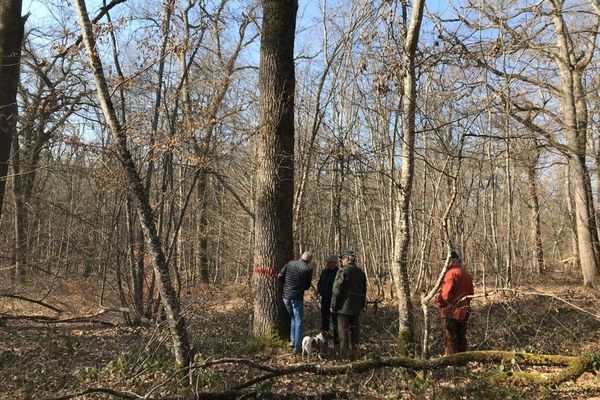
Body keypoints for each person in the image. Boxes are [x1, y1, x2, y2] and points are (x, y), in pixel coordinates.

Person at [436, 250, 474, 355]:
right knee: (462, 337)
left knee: (450, 341)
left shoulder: (450, 274)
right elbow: (471, 294)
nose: (445, 263)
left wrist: (440, 304)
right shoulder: (466, 274)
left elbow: (445, 295)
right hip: (465, 311)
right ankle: (462, 362)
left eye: (447, 261)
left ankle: (450, 364)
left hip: (450, 313)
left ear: (453, 260)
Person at [330, 250, 367, 359]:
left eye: (342, 260)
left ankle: (344, 357)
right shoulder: (361, 272)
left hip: (343, 308)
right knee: (355, 333)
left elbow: (336, 290)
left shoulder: (342, 272)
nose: (341, 262)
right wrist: (361, 304)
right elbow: (363, 290)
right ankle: (355, 354)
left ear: (347, 260)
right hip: (356, 308)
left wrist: (333, 305)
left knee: (344, 334)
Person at [278, 251, 313, 354]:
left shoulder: (290, 263)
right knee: (298, 320)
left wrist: (286, 286)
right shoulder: (307, 269)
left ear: (301, 256)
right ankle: (297, 347)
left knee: (293, 317)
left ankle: (293, 341)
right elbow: (307, 286)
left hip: (285, 295)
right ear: (309, 260)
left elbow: (280, 276)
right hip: (297, 296)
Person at [317, 253, 340, 347]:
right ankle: (323, 343)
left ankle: (337, 343)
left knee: (336, 323)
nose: (327, 263)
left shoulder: (339, 272)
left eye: (329, 262)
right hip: (325, 300)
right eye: (327, 261)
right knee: (324, 322)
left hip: (335, 301)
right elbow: (319, 283)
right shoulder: (324, 272)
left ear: (334, 263)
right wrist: (321, 291)